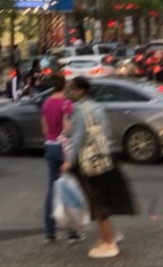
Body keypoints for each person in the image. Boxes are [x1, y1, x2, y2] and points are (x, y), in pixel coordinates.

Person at [63, 76, 136, 259]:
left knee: (97, 200)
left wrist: (69, 161)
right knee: (104, 198)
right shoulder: (96, 107)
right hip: (105, 156)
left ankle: (108, 242)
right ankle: (109, 235)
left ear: (81, 91)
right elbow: (105, 132)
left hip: (90, 161)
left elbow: (78, 137)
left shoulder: (79, 110)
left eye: (72, 88)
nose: (68, 91)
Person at [40, 75, 80, 244]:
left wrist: (51, 136)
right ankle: (72, 232)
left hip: (50, 145)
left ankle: (50, 232)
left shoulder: (47, 103)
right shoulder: (66, 103)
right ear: (64, 86)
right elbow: (67, 128)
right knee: (69, 189)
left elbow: (44, 128)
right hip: (63, 148)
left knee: (52, 189)